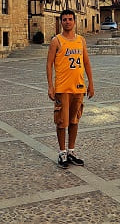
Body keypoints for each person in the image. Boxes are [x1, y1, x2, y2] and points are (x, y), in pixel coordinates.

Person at [46, 9, 95, 169]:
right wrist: (50, 87)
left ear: (75, 22)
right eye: (65, 19)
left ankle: (71, 151)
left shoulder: (81, 40)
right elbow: (49, 64)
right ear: (61, 22)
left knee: (74, 120)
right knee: (62, 121)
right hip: (62, 87)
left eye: (70, 19)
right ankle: (62, 152)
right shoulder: (56, 41)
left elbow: (86, 62)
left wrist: (91, 84)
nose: (67, 22)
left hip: (79, 87)